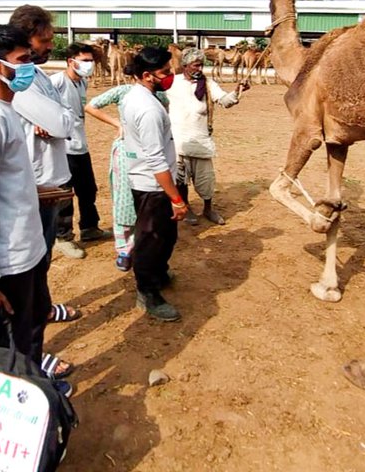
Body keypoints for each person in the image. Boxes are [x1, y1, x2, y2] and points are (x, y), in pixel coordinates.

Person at [0, 24, 71, 396]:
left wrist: (35, 192)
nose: (30, 68)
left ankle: (35, 389)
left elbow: (4, 181)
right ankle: (17, 406)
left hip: (29, 249)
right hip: (8, 261)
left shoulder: (6, 110)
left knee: (32, 329)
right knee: (11, 347)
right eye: (22, 61)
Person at [9, 5, 80, 382]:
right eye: (45, 38)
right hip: (34, 189)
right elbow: (63, 120)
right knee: (27, 278)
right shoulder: (19, 78)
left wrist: (56, 119)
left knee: (41, 266)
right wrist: (55, 118)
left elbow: (61, 119)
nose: (51, 44)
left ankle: (43, 313)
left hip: (49, 183)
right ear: (26, 39)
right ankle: (28, 363)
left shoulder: (35, 74)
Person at [121, 47, 189, 321]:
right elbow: (155, 159)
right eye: (165, 72)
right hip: (153, 185)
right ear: (147, 75)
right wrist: (176, 198)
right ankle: (147, 291)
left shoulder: (140, 96)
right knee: (151, 240)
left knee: (166, 235)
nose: (170, 75)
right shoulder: (147, 108)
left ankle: (159, 273)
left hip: (157, 182)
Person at [85, 84, 168, 272]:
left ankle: (140, 243)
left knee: (148, 197)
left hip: (149, 151)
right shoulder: (123, 91)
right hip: (125, 151)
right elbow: (91, 106)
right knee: (124, 198)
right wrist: (117, 124)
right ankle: (123, 248)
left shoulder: (160, 94)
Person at [167, 47, 246, 225]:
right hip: (178, 141)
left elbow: (225, 101)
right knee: (181, 180)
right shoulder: (172, 82)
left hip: (201, 141)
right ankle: (185, 207)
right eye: (195, 65)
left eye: (201, 65)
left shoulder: (208, 84)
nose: (199, 69)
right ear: (185, 66)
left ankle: (208, 209)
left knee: (206, 181)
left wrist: (237, 91)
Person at [50, 43, 110, 260]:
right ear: (71, 61)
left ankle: (89, 228)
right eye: (84, 61)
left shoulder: (82, 82)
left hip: (80, 145)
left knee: (88, 189)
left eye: (90, 61)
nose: (89, 65)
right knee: (65, 194)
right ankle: (63, 237)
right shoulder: (55, 82)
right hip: (62, 147)